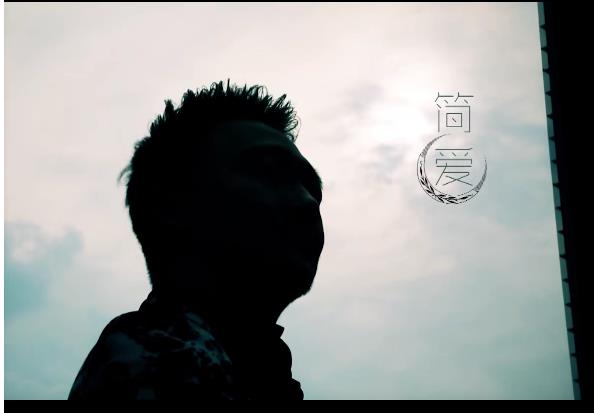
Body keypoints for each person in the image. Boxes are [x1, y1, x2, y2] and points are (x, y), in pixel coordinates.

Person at [68, 80, 325, 400]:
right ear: (168, 204)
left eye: (313, 189)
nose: (308, 201)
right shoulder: (160, 366)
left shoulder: (259, 376)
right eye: (269, 170)